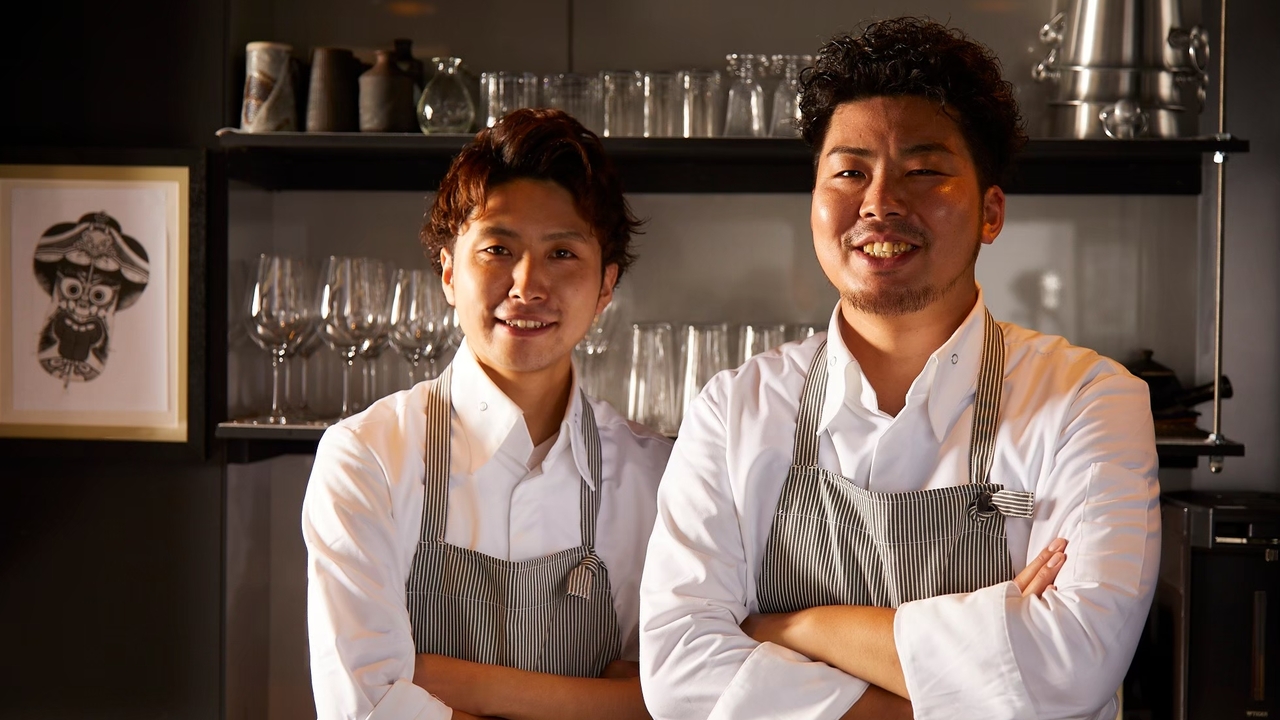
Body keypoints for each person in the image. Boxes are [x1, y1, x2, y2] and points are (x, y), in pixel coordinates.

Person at [639, 17, 1159, 720]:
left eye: (923, 171)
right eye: (850, 171)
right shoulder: (734, 409)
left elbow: (1072, 664)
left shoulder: (1089, 401)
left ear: (990, 212)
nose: (880, 203)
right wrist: (978, 679)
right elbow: (678, 676)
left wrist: (795, 629)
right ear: (815, 201)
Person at [304, 108, 671, 720]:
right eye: (498, 248)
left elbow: (678, 700)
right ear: (448, 270)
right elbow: (364, 708)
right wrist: (606, 702)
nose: (527, 285)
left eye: (562, 253)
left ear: (606, 287)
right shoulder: (366, 456)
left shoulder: (654, 475)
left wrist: (436, 680)